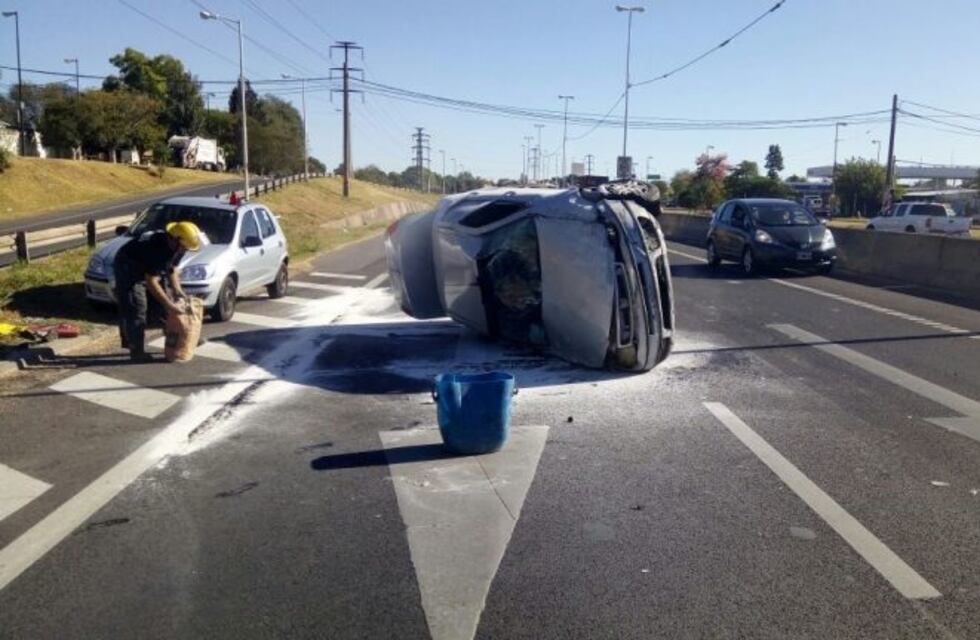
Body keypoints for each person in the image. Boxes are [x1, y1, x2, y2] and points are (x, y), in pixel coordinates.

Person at [113, 221, 201, 361]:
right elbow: (151, 282)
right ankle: (137, 352)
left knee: (169, 305)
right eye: (183, 247)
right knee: (137, 307)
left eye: (186, 248)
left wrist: (178, 291)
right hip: (128, 267)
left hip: (149, 268)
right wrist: (169, 305)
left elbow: (172, 269)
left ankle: (182, 339)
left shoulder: (178, 247)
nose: (185, 251)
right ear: (174, 239)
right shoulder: (157, 249)